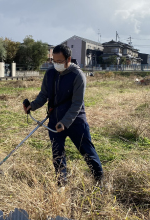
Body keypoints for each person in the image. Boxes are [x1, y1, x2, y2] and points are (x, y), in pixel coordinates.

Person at [23, 44, 103, 186]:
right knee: (57, 155)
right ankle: (61, 183)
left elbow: (77, 104)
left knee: (87, 152)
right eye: (54, 61)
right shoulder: (50, 73)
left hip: (76, 121)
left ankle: (100, 179)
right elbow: (44, 95)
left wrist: (65, 122)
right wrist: (32, 106)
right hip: (55, 120)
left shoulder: (77, 75)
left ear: (68, 59)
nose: (56, 64)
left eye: (60, 61)